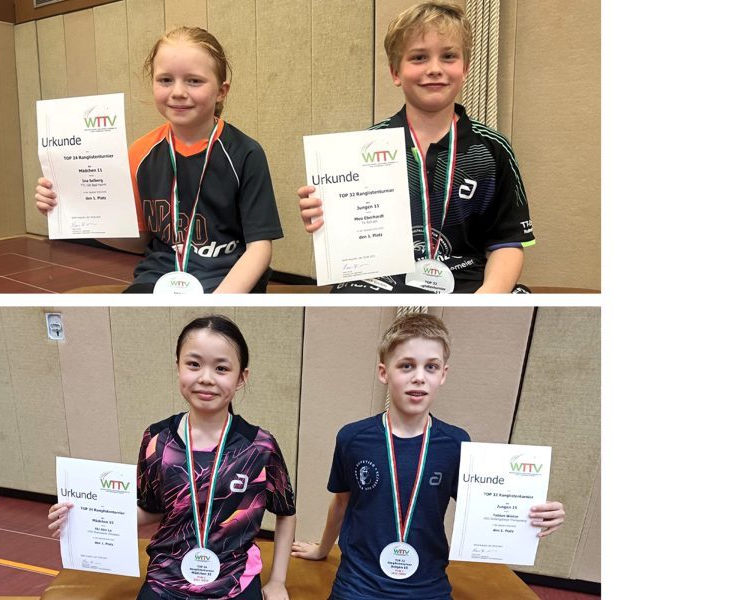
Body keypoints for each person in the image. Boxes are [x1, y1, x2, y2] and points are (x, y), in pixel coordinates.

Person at [290, 313, 565, 598]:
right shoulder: (352, 438)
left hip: (427, 584)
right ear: (384, 372)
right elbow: (341, 502)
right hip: (359, 583)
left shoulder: (456, 443)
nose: (419, 377)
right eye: (406, 366)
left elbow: (486, 506)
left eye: (431, 367)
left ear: (443, 374)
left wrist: (534, 515)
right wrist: (322, 549)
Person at [49, 315, 297, 599]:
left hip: (235, 578)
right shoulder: (157, 440)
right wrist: (81, 516)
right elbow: (152, 509)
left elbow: (286, 513)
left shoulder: (260, 446)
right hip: (167, 576)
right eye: (194, 364)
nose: (206, 378)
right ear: (178, 367)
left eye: (221, 368)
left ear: (241, 377)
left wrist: (277, 581)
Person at [297, 2, 533, 293]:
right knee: (342, 298)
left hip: (465, 283)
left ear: (465, 68)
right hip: (385, 280)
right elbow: (352, 243)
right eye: (419, 58)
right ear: (395, 72)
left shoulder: (492, 149)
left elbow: (507, 242)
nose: (434, 69)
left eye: (448, 56)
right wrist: (327, 219)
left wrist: (485, 299)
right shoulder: (363, 149)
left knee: (514, 297)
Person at [36, 27, 283, 294]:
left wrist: (218, 301)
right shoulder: (139, 154)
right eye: (165, 80)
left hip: (227, 280)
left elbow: (260, 247)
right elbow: (141, 241)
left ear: (221, 91)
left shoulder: (246, 154)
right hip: (159, 277)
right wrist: (71, 210)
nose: (178, 92)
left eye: (194, 81)